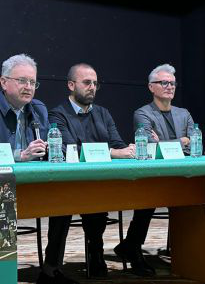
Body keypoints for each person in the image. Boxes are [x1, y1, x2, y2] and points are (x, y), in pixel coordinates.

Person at [39, 63, 135, 283]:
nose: (92, 87)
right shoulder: (57, 114)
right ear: (71, 85)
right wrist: (112, 152)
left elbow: (118, 144)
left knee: (99, 198)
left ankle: (96, 250)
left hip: (98, 181)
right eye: (86, 82)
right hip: (68, 182)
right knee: (64, 205)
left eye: (95, 83)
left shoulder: (103, 113)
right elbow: (69, 149)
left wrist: (122, 151)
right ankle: (53, 266)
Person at [115, 64, 193, 277]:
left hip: (182, 173)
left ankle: (188, 251)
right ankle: (133, 248)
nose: (169, 86)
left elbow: (194, 143)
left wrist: (170, 142)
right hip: (154, 174)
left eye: (172, 83)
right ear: (151, 87)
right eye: (164, 83)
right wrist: (181, 140)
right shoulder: (142, 113)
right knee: (148, 199)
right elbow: (150, 145)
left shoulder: (183, 113)